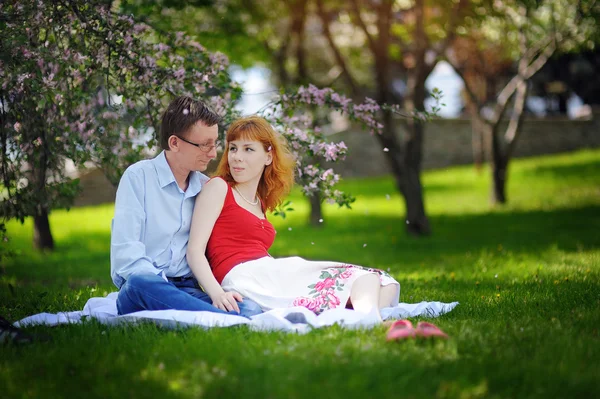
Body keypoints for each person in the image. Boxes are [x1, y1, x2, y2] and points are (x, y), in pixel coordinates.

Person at [187, 116, 400, 318]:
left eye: (248, 149)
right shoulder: (218, 187)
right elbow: (195, 250)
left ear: (268, 157)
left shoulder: (258, 202)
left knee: (384, 282)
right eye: (233, 148)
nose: (237, 156)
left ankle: (367, 318)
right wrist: (217, 293)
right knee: (365, 279)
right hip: (245, 277)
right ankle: (369, 321)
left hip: (268, 272)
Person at [110, 96, 262, 318]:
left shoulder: (205, 187)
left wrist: (220, 293)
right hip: (145, 285)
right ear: (174, 143)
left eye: (215, 143)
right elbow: (127, 254)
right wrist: (163, 287)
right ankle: (220, 320)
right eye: (204, 145)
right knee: (139, 284)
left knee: (249, 308)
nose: (212, 153)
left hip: (188, 288)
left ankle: (211, 317)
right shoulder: (138, 177)